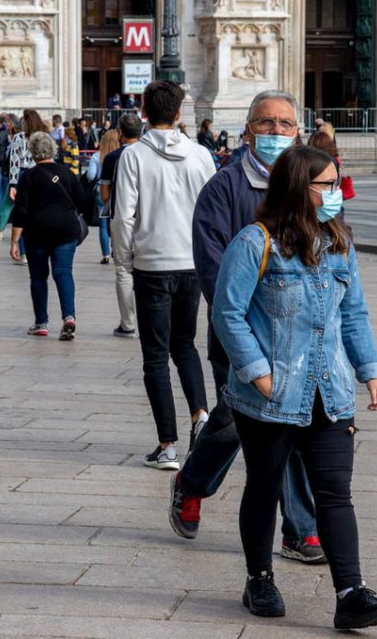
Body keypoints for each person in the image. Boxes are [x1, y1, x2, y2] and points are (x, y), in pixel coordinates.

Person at [211, 144, 377, 630]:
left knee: (335, 493)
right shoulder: (255, 242)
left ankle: (351, 592)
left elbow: (352, 313)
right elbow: (227, 314)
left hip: (329, 392)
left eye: (337, 182)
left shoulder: (339, 242)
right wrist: (258, 371)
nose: (337, 192)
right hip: (270, 397)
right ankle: (260, 577)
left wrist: (369, 371)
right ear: (300, 188)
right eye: (327, 185)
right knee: (265, 486)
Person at [170, 90, 325, 566]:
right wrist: (243, 328)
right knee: (236, 421)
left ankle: (299, 529)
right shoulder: (224, 188)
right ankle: (193, 482)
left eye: (284, 124)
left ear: (298, 131)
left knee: (292, 424)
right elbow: (213, 267)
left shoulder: (312, 188)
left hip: (299, 337)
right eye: (266, 123)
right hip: (241, 332)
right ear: (247, 131)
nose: (276, 132)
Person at [112, 79, 216, 470]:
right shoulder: (202, 156)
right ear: (178, 113)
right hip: (191, 265)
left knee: (155, 356)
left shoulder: (134, 155)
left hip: (151, 265)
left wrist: (124, 258)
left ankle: (167, 445)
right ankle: (201, 414)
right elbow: (211, 212)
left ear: (143, 112)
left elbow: (123, 215)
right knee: (185, 344)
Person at [11, 132, 87, 340]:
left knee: (38, 277)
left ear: (33, 153)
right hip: (65, 230)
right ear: (53, 150)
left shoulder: (29, 177)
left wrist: (14, 240)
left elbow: (21, 211)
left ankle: (41, 322)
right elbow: (82, 201)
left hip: (37, 232)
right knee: (63, 272)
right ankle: (69, 317)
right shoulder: (67, 172)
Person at [100, 113, 142, 338]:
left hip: (121, 217)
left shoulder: (113, 157)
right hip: (149, 218)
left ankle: (128, 323)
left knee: (124, 270)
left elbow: (105, 194)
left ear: (120, 132)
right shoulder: (148, 154)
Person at [0, 110, 50, 258]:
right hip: (41, 174)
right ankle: (37, 248)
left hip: (24, 174)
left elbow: (15, 162)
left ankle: (25, 251)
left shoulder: (19, 137)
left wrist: (13, 183)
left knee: (23, 212)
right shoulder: (45, 137)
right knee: (37, 211)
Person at [87, 129, 119, 264]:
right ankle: (117, 251)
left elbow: (91, 175)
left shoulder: (97, 156)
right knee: (118, 222)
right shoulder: (122, 155)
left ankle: (105, 254)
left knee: (103, 224)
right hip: (117, 190)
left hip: (101, 190)